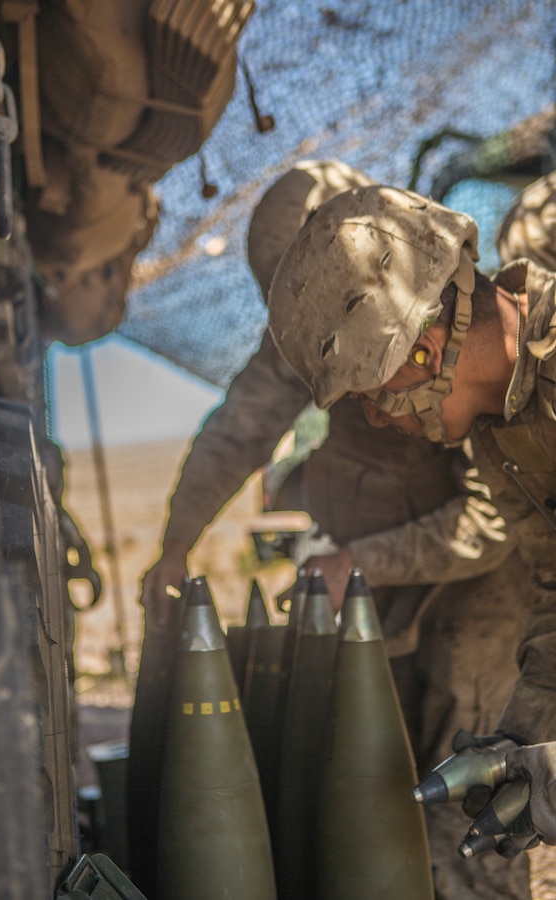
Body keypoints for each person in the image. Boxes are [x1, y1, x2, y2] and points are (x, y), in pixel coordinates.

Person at [141, 160, 535, 898]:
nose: (375, 407)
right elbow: (238, 432)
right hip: (379, 590)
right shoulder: (308, 339)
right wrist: (174, 543)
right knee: (387, 783)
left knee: (469, 795)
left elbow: (490, 525)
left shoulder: (472, 354)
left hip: (478, 595)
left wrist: (361, 559)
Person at [267, 175, 556, 871]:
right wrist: (520, 739)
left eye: (370, 395)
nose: (375, 419)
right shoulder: (500, 435)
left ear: (421, 348)